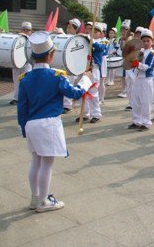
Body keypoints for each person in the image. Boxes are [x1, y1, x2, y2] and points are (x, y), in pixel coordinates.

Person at [17, 31, 93, 212]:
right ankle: (44, 201)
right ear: (51, 55)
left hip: (31, 124)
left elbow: (22, 107)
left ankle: (35, 198)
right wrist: (86, 82)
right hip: (49, 123)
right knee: (47, 164)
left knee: (35, 162)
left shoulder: (25, 79)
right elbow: (74, 93)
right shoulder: (57, 76)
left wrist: (23, 128)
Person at [127, 28, 154, 131]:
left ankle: (146, 122)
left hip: (146, 79)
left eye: (148, 41)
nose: (146, 43)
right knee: (135, 101)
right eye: (144, 41)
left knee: (145, 102)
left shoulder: (153, 53)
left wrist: (138, 64)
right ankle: (136, 120)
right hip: (137, 78)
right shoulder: (139, 51)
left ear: (152, 42)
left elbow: (149, 66)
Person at [11, 22, 33, 105]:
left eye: (27, 30)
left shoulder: (32, 39)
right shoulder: (16, 38)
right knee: (16, 81)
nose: (25, 31)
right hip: (16, 63)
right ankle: (16, 98)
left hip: (27, 63)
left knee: (26, 81)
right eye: (23, 29)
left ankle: (27, 98)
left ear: (31, 31)